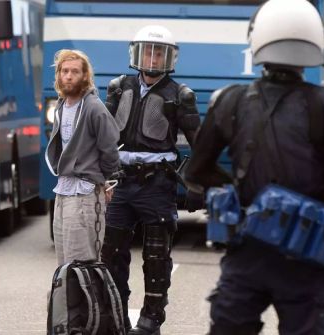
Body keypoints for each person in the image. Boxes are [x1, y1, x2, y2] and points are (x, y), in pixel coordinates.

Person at [183, 0, 324, 333]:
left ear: (258, 37)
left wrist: (243, 194)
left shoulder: (229, 100)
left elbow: (196, 171)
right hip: (306, 253)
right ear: (315, 41)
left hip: (247, 249)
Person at [99, 25, 200, 335]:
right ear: (136, 53)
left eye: (159, 52)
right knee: (111, 253)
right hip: (120, 182)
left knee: (156, 258)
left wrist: (198, 184)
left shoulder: (181, 95)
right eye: (148, 50)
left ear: (169, 58)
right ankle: (116, 317)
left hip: (158, 184)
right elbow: (103, 135)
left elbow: (200, 143)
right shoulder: (119, 86)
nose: (153, 58)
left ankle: (150, 321)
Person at [44, 49, 119, 266]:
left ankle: (87, 301)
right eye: (64, 71)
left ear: (85, 76)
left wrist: (108, 180)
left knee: (82, 262)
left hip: (85, 192)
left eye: (74, 72)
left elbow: (109, 147)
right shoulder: (60, 106)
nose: (68, 76)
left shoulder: (94, 107)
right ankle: (67, 300)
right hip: (63, 189)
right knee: (64, 262)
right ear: (58, 75)